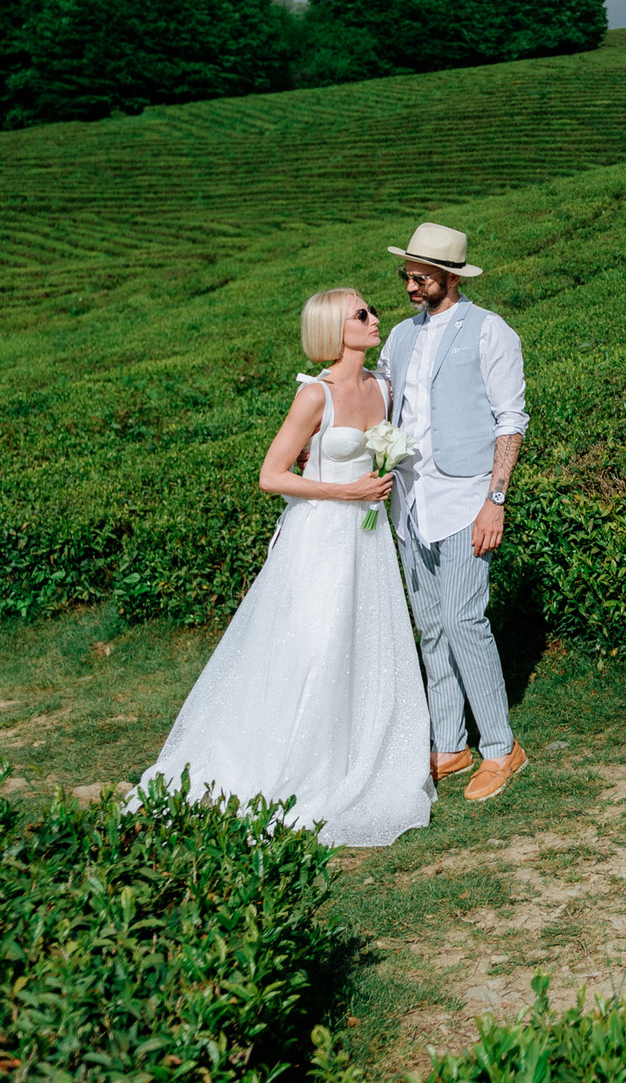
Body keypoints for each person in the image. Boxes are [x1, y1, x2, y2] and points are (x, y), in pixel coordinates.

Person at [128, 288, 434, 845]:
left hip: (368, 541)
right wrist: (346, 492)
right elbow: (271, 475)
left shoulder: (382, 386)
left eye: (370, 310)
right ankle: (288, 764)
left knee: (363, 643)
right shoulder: (315, 394)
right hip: (319, 537)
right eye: (361, 314)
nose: (374, 318)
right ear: (334, 330)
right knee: (313, 646)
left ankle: (355, 758)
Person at [382, 221, 532, 802]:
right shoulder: (399, 337)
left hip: (468, 496)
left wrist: (496, 501)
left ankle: (501, 746)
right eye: (407, 275)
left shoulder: (491, 331)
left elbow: (510, 421)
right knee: (431, 624)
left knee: (464, 619)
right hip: (410, 501)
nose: (410, 286)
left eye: (421, 278)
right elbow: (383, 406)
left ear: (450, 277)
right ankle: (450, 743)